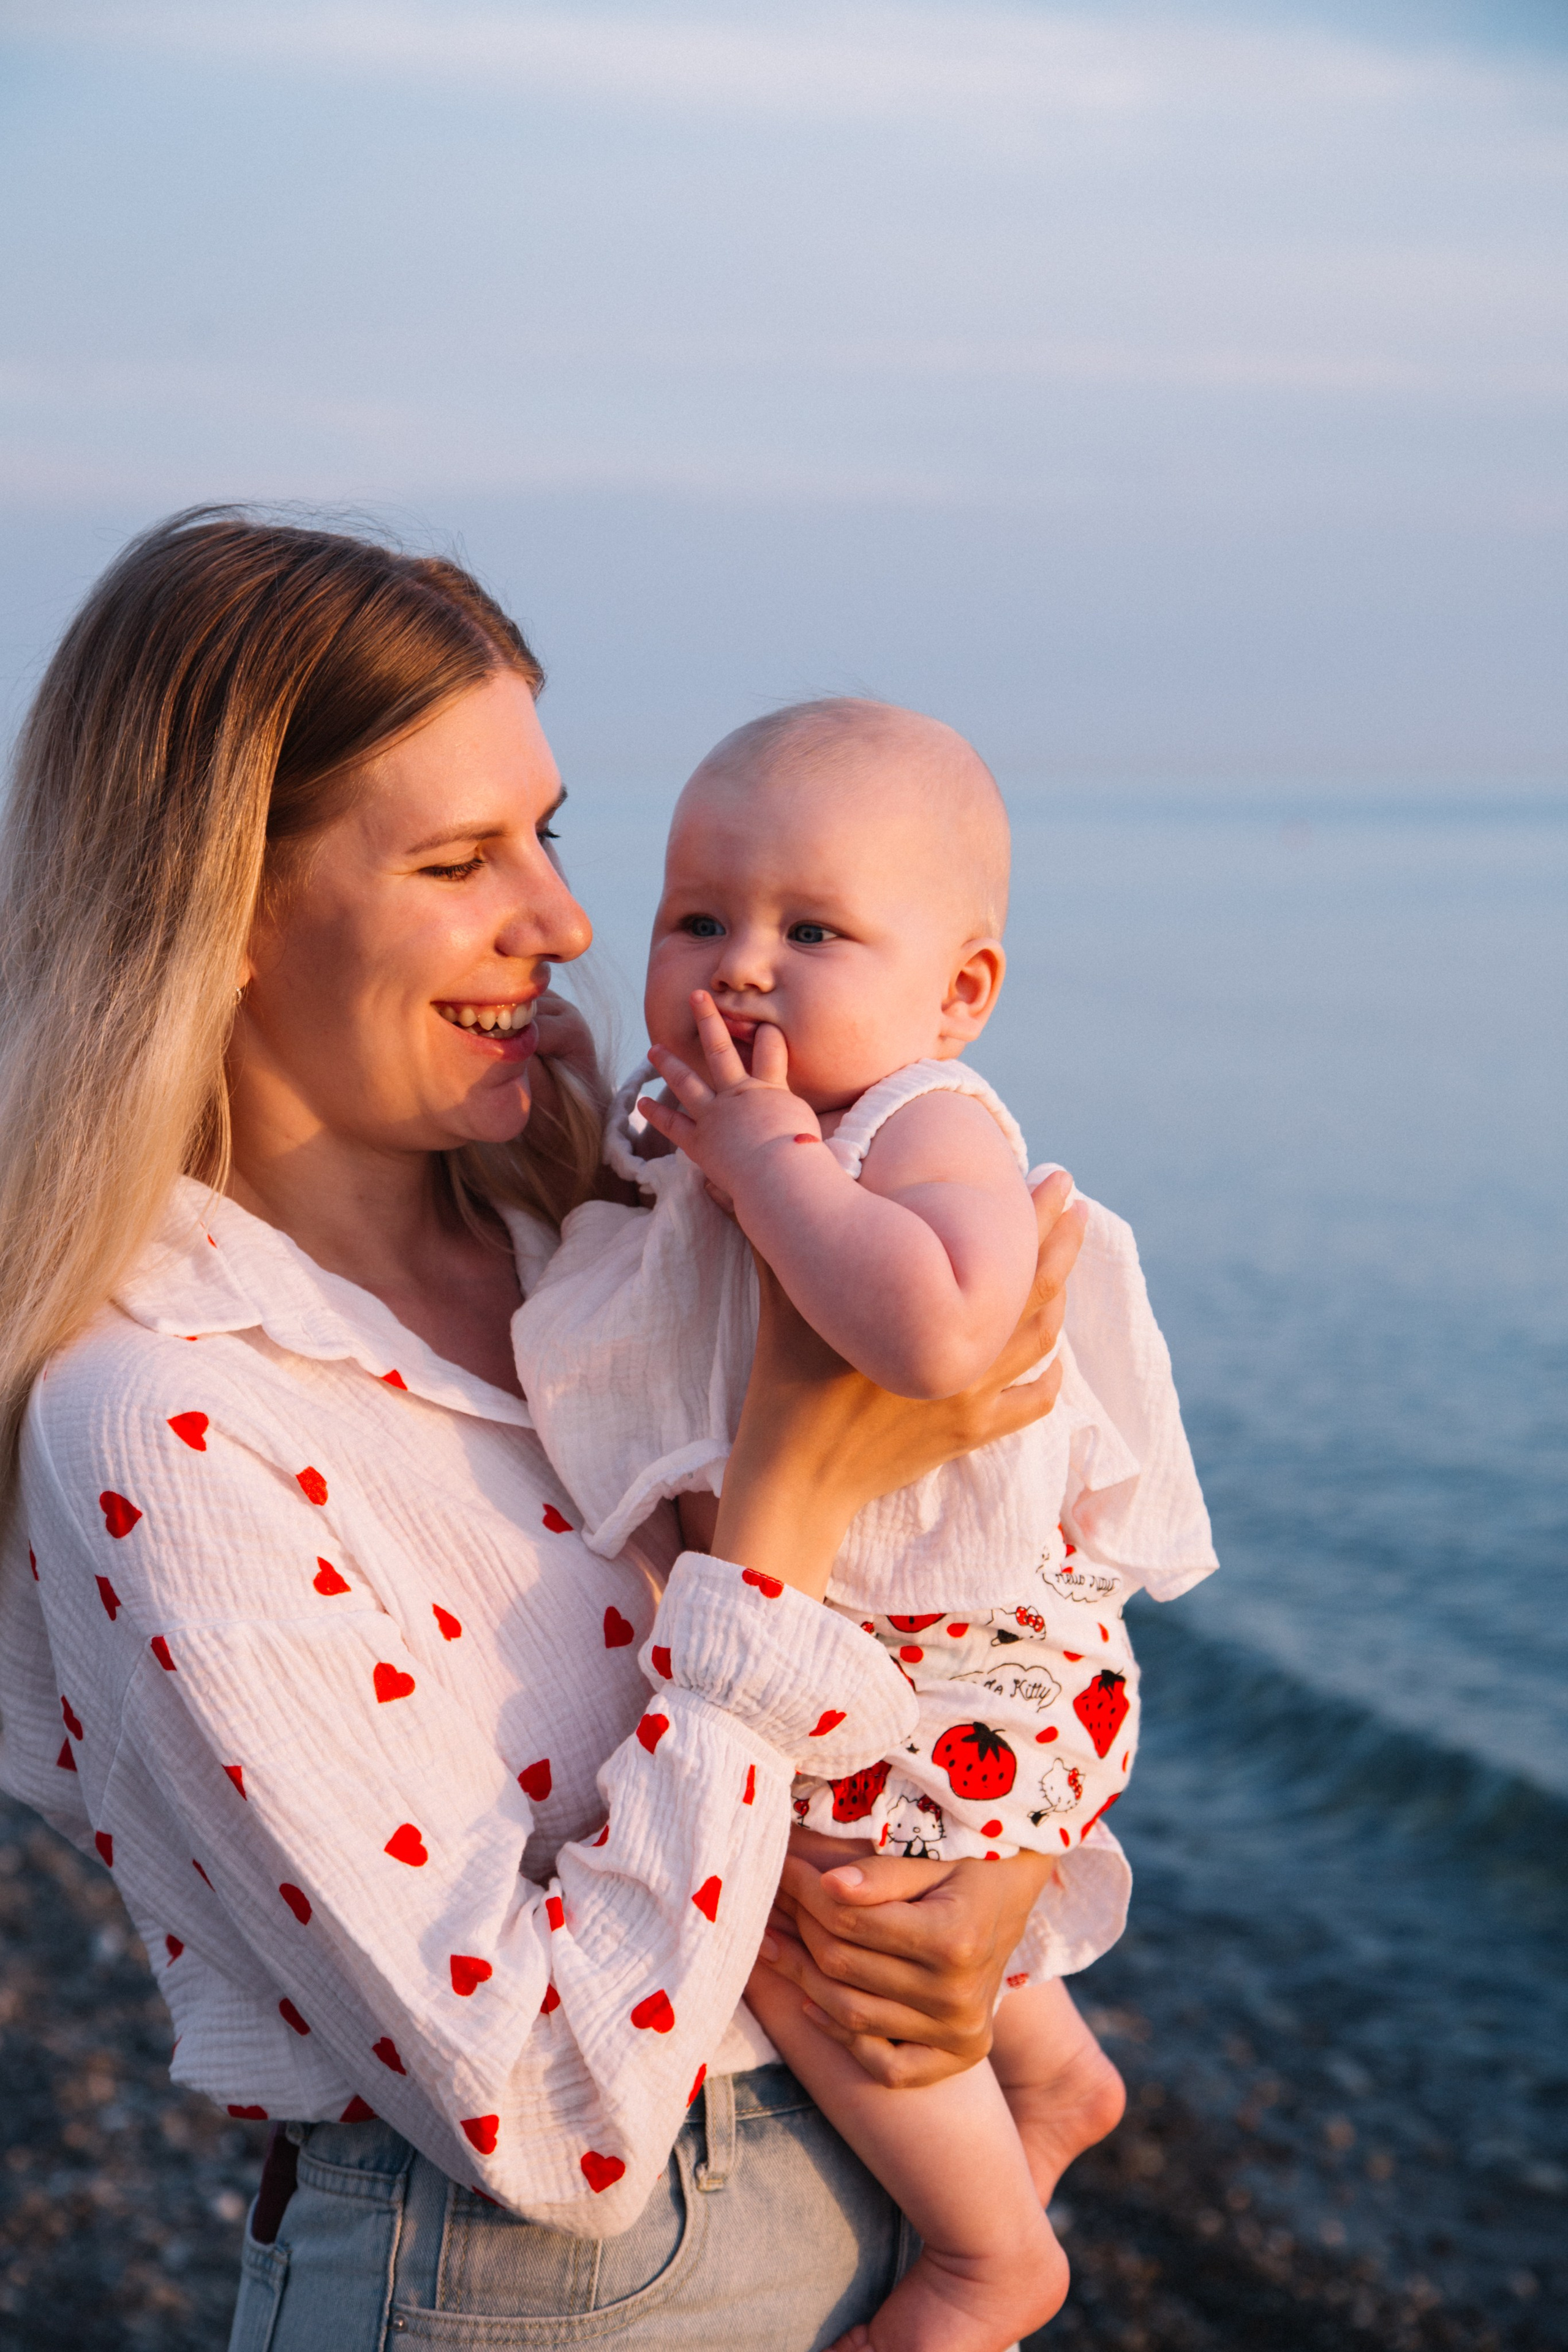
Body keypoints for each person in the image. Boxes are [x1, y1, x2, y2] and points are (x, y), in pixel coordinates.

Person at [0, 511, 1120, 2352]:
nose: (572, 923)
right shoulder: (163, 1420)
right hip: (536, 2293)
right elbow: (550, 2111)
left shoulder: (594, 1249)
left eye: (551, 829)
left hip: (842, 2193)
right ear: (223, 907)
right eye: (460, 858)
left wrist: (970, 1903)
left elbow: (919, 1636)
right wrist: (785, 1506)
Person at [513, 701, 1217, 2350]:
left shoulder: (921, 1127)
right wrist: (668, 1131)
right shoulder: (732, 1121)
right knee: (863, 1893)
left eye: (811, 930)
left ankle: (989, 2257)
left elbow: (940, 1335)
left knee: (787, 1919)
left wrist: (772, 1163)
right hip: (864, 1653)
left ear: (958, 995)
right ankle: (1051, 2075)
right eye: (699, 918)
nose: (739, 967)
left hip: (951, 1664)